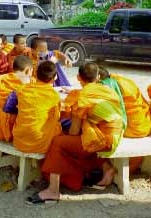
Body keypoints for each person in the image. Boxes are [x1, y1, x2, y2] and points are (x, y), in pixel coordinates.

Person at [25, 62, 125, 204]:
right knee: (79, 139)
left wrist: (65, 135)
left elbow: (74, 131)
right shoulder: (107, 90)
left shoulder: (81, 97)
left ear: (78, 77)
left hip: (102, 140)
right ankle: (106, 168)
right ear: (98, 77)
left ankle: (53, 190)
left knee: (58, 142)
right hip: (116, 134)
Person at [99, 66, 151, 173]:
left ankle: (108, 167)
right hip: (147, 122)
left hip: (134, 128)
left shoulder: (108, 85)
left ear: (98, 77)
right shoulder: (122, 80)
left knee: (99, 131)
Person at [4, 61, 62, 154]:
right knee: (59, 126)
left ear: (35, 74)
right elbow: (56, 118)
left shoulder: (22, 89)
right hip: (40, 144)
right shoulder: (55, 96)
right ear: (54, 78)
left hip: (19, 141)